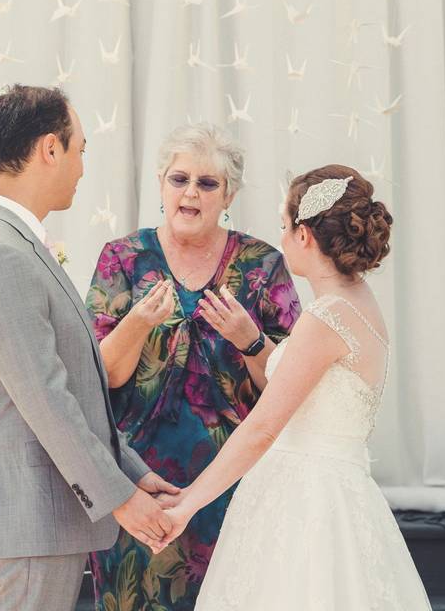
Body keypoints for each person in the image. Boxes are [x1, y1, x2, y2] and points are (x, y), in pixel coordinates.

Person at [158, 165, 432, 610]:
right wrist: (252, 341)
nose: (281, 238)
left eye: (284, 227)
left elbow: (265, 426)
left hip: (306, 507)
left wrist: (188, 503)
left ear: (304, 236)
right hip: (334, 491)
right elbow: (308, 389)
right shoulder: (355, 302)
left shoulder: (326, 318)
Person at [0, 84, 178, 611]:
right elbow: (46, 401)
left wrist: (134, 472)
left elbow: (72, 387)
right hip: (29, 523)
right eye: (80, 149)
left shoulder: (16, 243)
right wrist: (122, 500)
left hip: (44, 524)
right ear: (49, 149)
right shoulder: (1, 255)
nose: (82, 166)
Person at [85, 123, 301, 610]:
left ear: (229, 194)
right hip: (139, 488)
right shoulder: (123, 258)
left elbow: (291, 390)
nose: (191, 192)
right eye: (179, 179)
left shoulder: (262, 264)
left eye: (207, 183)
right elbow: (103, 376)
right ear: (161, 184)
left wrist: (250, 341)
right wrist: (137, 322)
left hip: (234, 485)